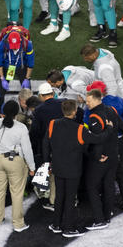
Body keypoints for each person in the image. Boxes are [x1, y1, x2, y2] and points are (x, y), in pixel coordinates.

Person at [0, 99, 35, 232]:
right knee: (17, 193)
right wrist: (32, 167)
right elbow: (27, 149)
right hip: (15, 161)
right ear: (16, 113)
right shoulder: (21, 127)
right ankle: (18, 224)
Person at [43, 98, 87, 237]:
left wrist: (46, 162)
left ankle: (56, 224)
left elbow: (45, 144)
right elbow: (91, 145)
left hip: (57, 167)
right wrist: (109, 129)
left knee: (59, 196)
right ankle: (68, 228)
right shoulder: (80, 128)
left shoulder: (52, 124)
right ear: (74, 112)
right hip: (73, 169)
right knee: (70, 198)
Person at [81, 86, 119, 230]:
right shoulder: (111, 110)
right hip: (114, 154)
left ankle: (99, 220)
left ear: (97, 100)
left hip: (102, 157)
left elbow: (97, 140)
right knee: (108, 185)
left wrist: (97, 156)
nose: (87, 104)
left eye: (89, 101)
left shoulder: (94, 116)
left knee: (91, 186)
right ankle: (107, 216)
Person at [0, 25, 34, 115]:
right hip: (7, 67)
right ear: (8, 40)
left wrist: (27, 78)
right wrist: (2, 78)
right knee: (0, 92)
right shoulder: (1, 45)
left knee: (27, 91)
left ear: (20, 40)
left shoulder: (27, 44)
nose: (15, 48)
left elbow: (30, 64)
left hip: (21, 66)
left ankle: (27, 113)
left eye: (16, 46)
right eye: (13, 46)